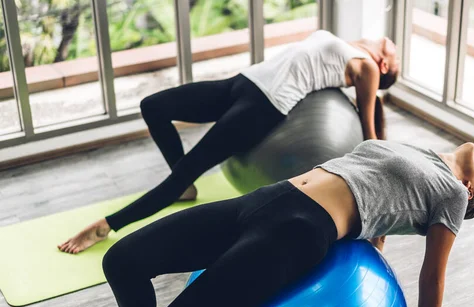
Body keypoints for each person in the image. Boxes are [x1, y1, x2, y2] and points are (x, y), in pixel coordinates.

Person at [97, 140, 474, 307]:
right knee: (121, 261)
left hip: (296, 231)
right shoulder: (420, 150)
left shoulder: (452, 193)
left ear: (470, 190)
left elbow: (433, 277)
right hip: (265, 199)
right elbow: (384, 206)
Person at [58, 30, 399, 254]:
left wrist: (374, 179)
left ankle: (105, 227)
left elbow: (368, 129)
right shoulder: (346, 45)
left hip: (264, 106)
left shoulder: (367, 66)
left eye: (393, 53)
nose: (390, 42)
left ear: (383, 64)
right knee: (154, 106)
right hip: (241, 83)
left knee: (183, 170)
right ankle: (185, 186)